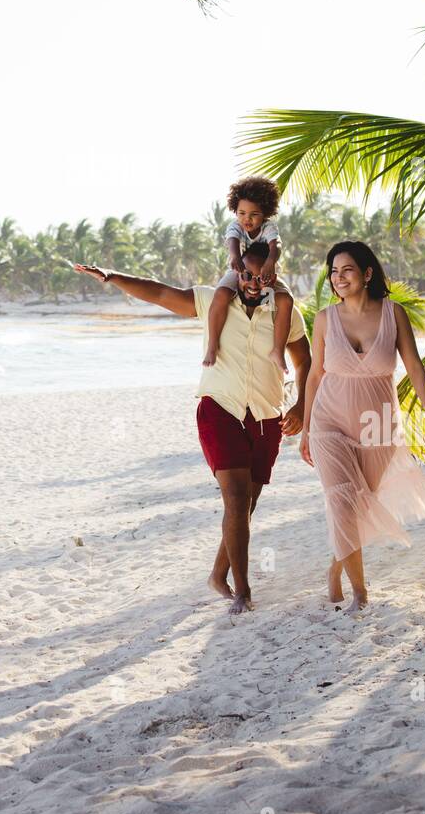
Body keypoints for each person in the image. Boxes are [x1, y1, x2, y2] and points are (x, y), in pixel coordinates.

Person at [75, 243, 311, 616]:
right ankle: (243, 591)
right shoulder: (212, 301)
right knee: (235, 500)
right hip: (220, 408)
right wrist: (113, 277)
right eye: (245, 275)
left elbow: (304, 362)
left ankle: (218, 575)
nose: (252, 283)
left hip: (267, 415)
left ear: (272, 274)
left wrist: (300, 406)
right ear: (236, 272)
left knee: (246, 505)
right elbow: (161, 292)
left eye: (260, 276)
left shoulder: (285, 311)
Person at [299, 241, 425, 615]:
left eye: (346, 269)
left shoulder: (393, 314)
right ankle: (360, 594)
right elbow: (315, 376)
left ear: (367, 274)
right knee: (341, 502)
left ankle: (334, 572)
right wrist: (305, 429)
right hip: (328, 421)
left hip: (377, 425)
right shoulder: (323, 319)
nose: (338, 278)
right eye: (333, 271)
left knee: (360, 507)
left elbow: (413, 364)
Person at [204, 176, 294, 375]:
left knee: (286, 300)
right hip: (240, 269)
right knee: (221, 295)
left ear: (265, 214)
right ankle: (212, 344)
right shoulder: (235, 226)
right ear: (235, 211)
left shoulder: (269, 227)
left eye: (254, 214)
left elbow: (275, 245)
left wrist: (271, 262)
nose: (247, 219)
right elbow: (232, 242)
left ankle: (278, 350)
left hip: (266, 271)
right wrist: (235, 257)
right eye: (242, 213)